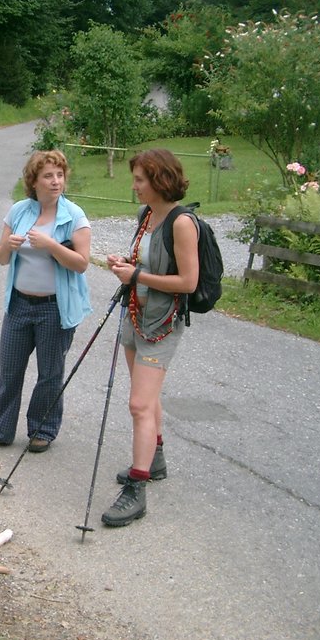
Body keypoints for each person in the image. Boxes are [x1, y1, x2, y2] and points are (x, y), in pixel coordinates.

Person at [103, 149, 199, 526]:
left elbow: (188, 283)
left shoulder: (181, 223)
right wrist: (126, 267)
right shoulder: (147, 216)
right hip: (135, 315)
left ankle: (137, 490)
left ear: (159, 180)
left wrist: (136, 277)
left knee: (139, 405)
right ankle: (154, 460)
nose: (135, 186)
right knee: (147, 400)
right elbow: (144, 263)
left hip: (161, 323)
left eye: (140, 179)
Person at [0, 149, 92, 453]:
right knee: (10, 370)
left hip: (54, 308)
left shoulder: (74, 216)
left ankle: (42, 429)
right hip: (19, 305)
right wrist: (8, 244)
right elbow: (1, 258)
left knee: (50, 374)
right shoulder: (19, 211)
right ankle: (0, 429)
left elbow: (81, 263)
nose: (55, 181)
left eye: (59, 175)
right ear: (33, 181)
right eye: (48, 176)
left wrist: (50, 245)